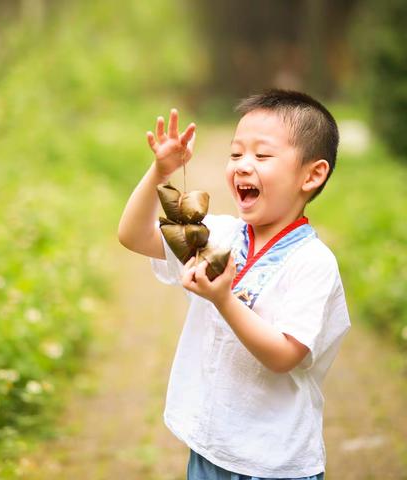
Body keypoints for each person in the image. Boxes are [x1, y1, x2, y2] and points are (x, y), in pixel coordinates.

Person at [117, 89, 350, 480]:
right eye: (236, 153)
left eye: (262, 155)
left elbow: (283, 355)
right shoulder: (218, 234)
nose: (242, 165)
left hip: (273, 462)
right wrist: (160, 172)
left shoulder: (314, 264)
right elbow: (133, 236)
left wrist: (224, 300)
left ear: (312, 174)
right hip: (211, 446)